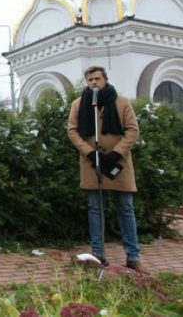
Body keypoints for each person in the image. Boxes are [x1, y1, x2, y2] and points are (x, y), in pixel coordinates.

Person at [67, 66, 148, 275]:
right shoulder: (79, 104)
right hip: (92, 163)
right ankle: (97, 255)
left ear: (105, 79)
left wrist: (116, 153)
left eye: (97, 79)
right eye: (90, 79)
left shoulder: (121, 102)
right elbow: (72, 131)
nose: (94, 82)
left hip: (117, 163)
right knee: (95, 209)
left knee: (126, 209)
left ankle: (133, 256)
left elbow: (132, 130)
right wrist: (89, 152)